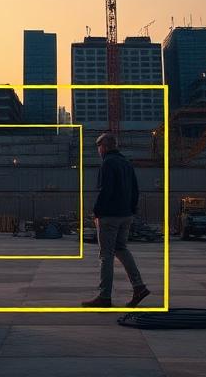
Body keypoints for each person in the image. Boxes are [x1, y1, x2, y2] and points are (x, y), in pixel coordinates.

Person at [81, 132, 150, 308]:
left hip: (109, 216)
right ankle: (139, 287)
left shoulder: (108, 163)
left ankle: (104, 296)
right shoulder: (126, 163)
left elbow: (106, 191)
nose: (99, 151)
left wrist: (97, 212)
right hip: (126, 214)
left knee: (106, 256)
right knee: (121, 248)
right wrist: (132, 210)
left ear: (103, 147)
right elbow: (135, 190)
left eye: (99, 147)